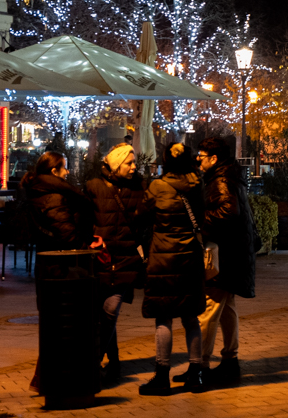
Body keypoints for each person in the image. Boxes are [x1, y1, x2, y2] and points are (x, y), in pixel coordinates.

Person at [22, 151, 98, 394]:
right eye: (64, 168)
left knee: (55, 325)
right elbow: (66, 234)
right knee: (60, 325)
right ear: (54, 171)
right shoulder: (53, 196)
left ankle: (44, 379)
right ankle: (49, 381)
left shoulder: (41, 191)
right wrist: (86, 247)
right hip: (61, 267)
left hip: (50, 265)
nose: (67, 172)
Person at [140, 142, 207, 395]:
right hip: (190, 257)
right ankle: (196, 373)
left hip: (163, 259)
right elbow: (203, 216)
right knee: (191, 317)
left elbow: (141, 215)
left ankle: (162, 375)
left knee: (164, 316)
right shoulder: (197, 185)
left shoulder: (157, 187)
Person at [191, 136, 256, 386]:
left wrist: (200, 221)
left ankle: (200, 364)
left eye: (202, 157)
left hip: (225, 255)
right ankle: (230, 359)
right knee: (227, 307)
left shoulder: (221, 179)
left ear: (214, 159)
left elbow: (229, 211)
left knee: (209, 308)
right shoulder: (228, 175)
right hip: (234, 253)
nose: (199, 160)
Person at [84, 143, 151, 383]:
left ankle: (91, 365)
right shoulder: (94, 187)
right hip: (100, 261)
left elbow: (146, 224)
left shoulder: (141, 189)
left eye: (134, 163)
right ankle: (114, 363)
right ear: (115, 165)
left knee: (110, 311)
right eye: (128, 163)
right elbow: (83, 220)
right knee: (101, 315)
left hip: (126, 263)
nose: (134, 167)